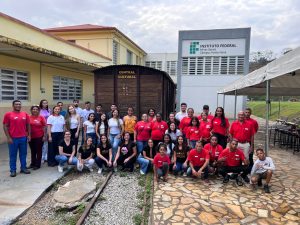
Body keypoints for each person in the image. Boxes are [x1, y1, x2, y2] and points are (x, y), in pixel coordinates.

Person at [3, 100, 31, 177]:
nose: (18, 105)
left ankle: (23, 168)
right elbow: (5, 126)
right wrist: (8, 137)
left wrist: (29, 135)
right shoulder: (8, 114)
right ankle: (13, 170)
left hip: (23, 138)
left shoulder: (24, 114)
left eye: (19, 104)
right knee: (13, 155)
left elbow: (28, 125)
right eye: (16, 104)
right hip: (13, 139)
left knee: (23, 154)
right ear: (13, 105)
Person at [28, 105, 47, 170]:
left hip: (39, 136)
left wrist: (44, 136)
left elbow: (44, 126)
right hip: (31, 137)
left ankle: (38, 164)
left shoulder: (41, 117)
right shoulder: (28, 117)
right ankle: (32, 163)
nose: (35, 110)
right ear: (31, 110)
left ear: (38, 110)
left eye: (36, 109)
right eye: (33, 109)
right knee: (33, 151)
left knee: (38, 151)